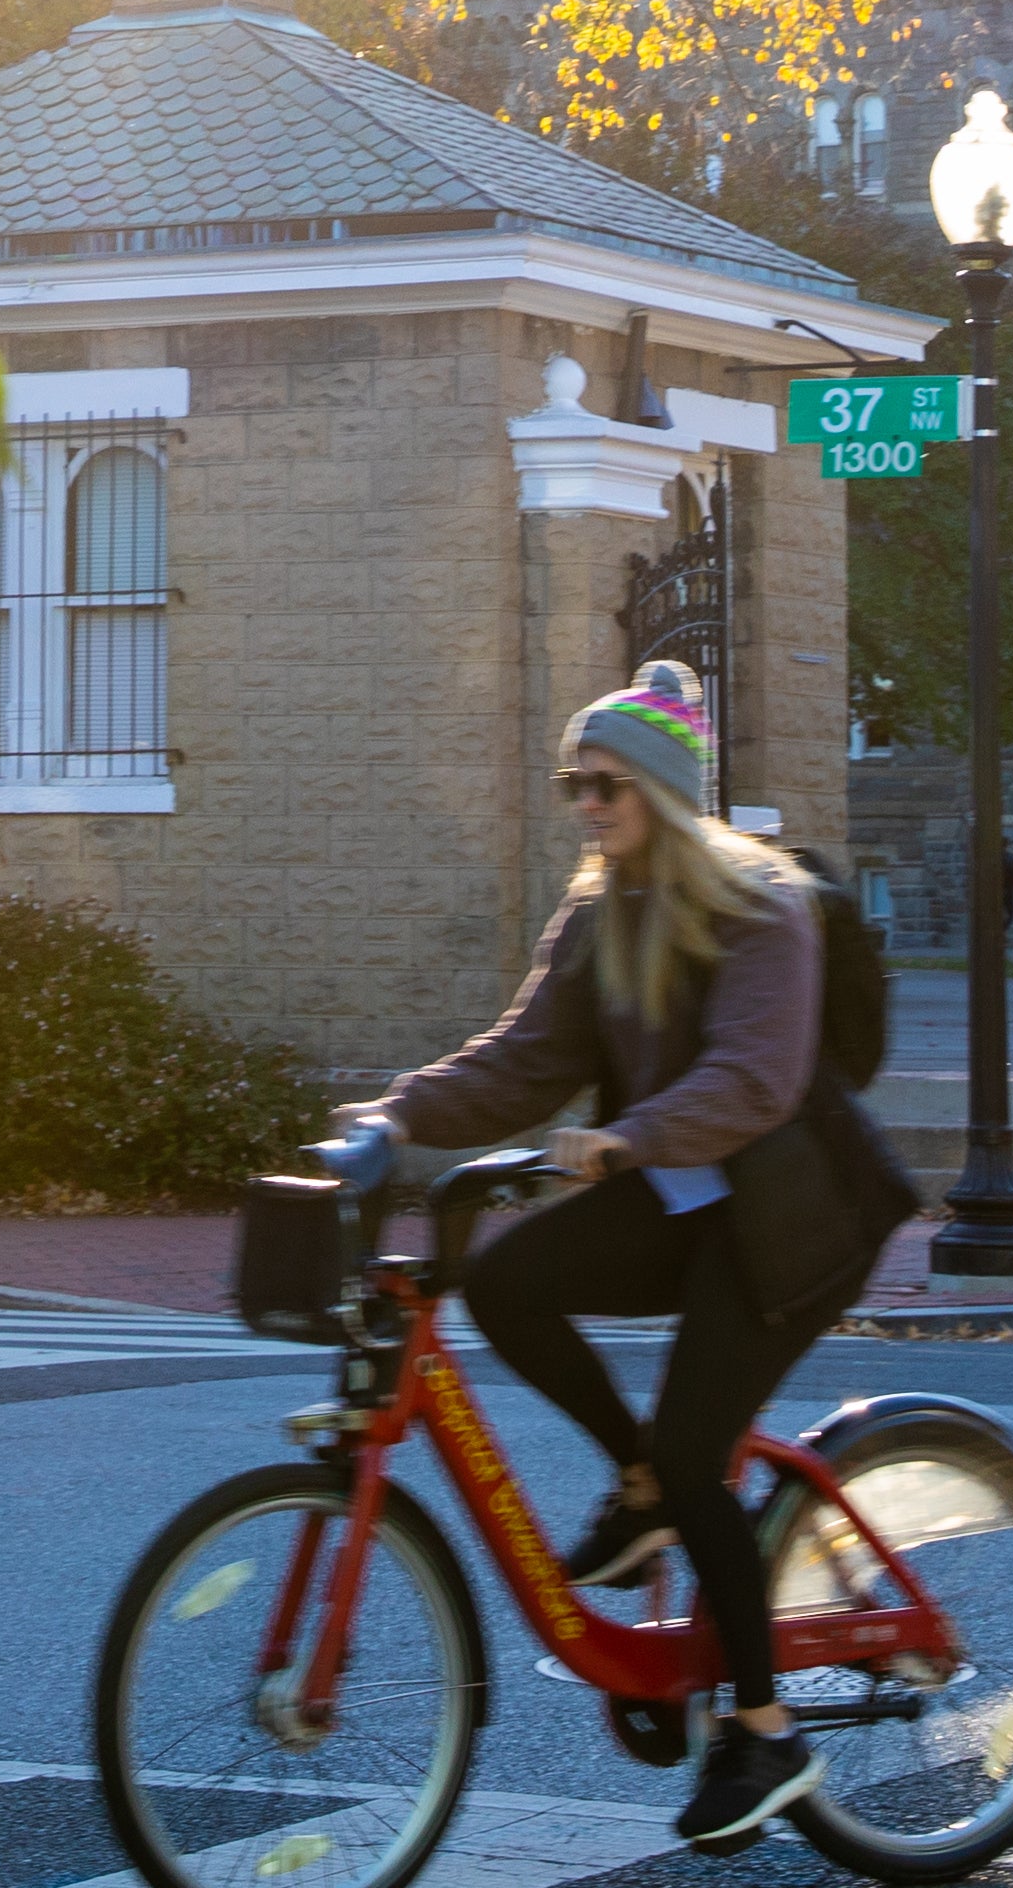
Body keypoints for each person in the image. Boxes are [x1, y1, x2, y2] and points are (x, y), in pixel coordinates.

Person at [361, 659, 919, 1859]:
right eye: (574, 782)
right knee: (505, 1280)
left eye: (603, 782)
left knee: (692, 1444)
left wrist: (626, 1136)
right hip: (679, 1194)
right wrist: (390, 1119)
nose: (584, 803)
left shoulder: (762, 905)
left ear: (663, 791)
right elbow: (517, 1060)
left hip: (795, 1217)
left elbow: (757, 1079)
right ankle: (642, 1488)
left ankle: (764, 1729)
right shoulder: (599, 913)